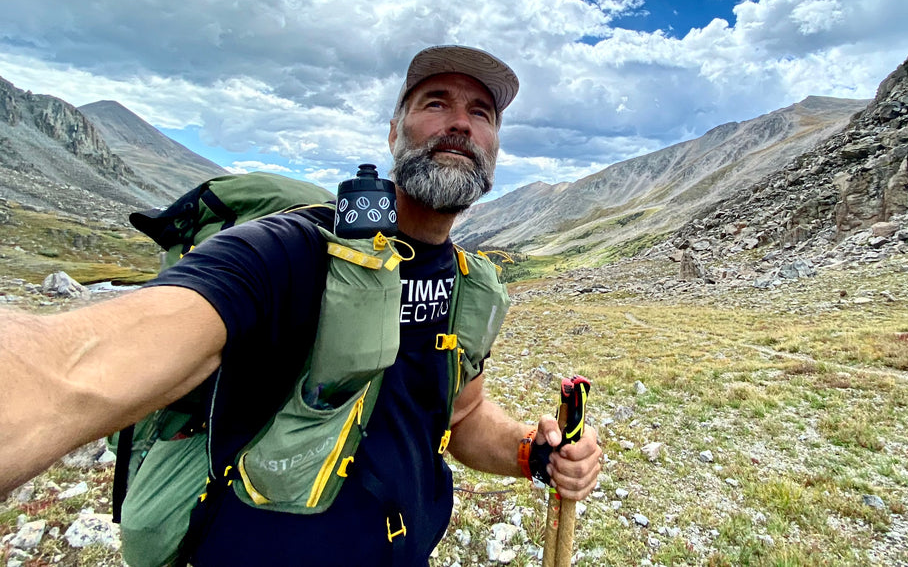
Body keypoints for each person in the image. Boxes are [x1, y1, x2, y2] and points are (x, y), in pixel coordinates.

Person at [0, 45, 603, 566]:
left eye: (482, 113)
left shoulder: (467, 282)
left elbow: (462, 417)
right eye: (436, 103)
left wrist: (533, 450)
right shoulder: (292, 250)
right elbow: (74, 372)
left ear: (495, 146)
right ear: (394, 133)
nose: (461, 124)